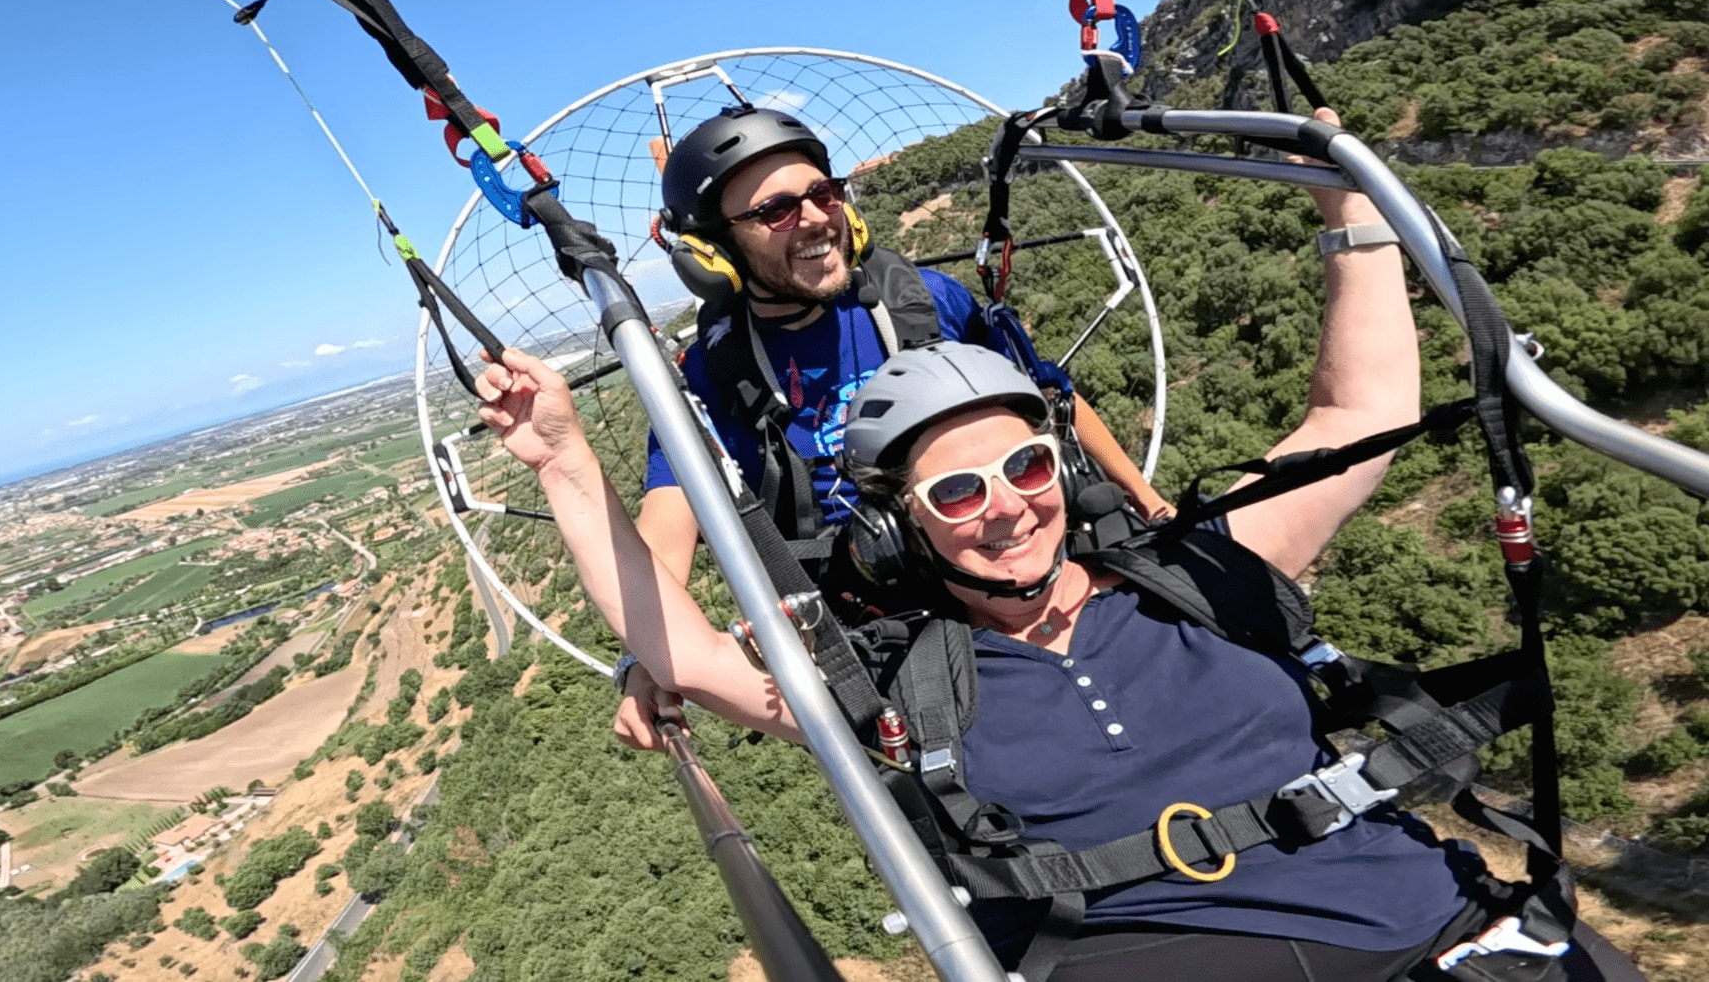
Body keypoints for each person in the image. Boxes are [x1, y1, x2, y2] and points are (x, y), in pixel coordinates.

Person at [473, 112, 1642, 981]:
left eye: (1024, 472)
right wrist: (569, 471)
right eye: (771, 210)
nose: (1006, 502)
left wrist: (1176, 538)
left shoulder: (938, 314)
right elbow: (684, 504)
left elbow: (1337, 416)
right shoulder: (891, 671)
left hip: (1429, 925)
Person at [617, 104, 1168, 746]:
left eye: (822, 193)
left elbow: (1054, 399)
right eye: (775, 210)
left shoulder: (924, 302)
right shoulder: (716, 373)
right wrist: (644, 660)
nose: (816, 218)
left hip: (1007, 564)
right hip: (882, 635)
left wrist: (1148, 504)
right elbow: (672, 507)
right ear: (715, 253)